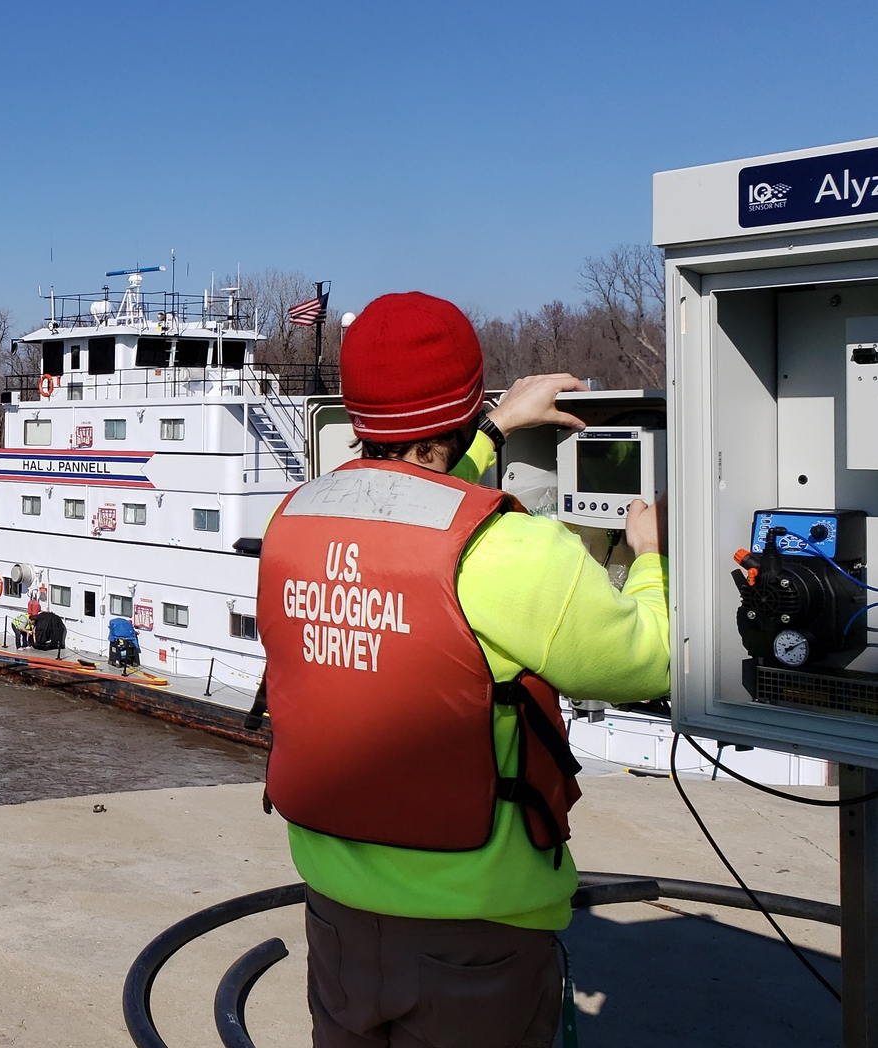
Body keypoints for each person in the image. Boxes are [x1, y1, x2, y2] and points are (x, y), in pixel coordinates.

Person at [254, 292, 670, 1048]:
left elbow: (406, 499)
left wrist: (492, 429)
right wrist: (650, 560)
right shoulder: (512, 551)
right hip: (473, 934)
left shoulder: (294, 519)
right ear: (467, 400)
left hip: (336, 918)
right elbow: (645, 660)